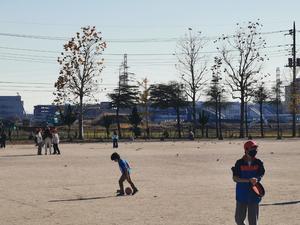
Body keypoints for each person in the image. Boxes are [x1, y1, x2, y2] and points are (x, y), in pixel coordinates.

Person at [231, 140, 265, 225]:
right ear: (246, 150)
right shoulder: (239, 163)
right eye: (252, 149)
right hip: (241, 194)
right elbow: (235, 178)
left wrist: (256, 179)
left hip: (254, 194)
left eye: (256, 149)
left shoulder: (259, 162)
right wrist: (248, 180)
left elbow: (261, 173)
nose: (255, 151)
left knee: (253, 222)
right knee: (239, 220)